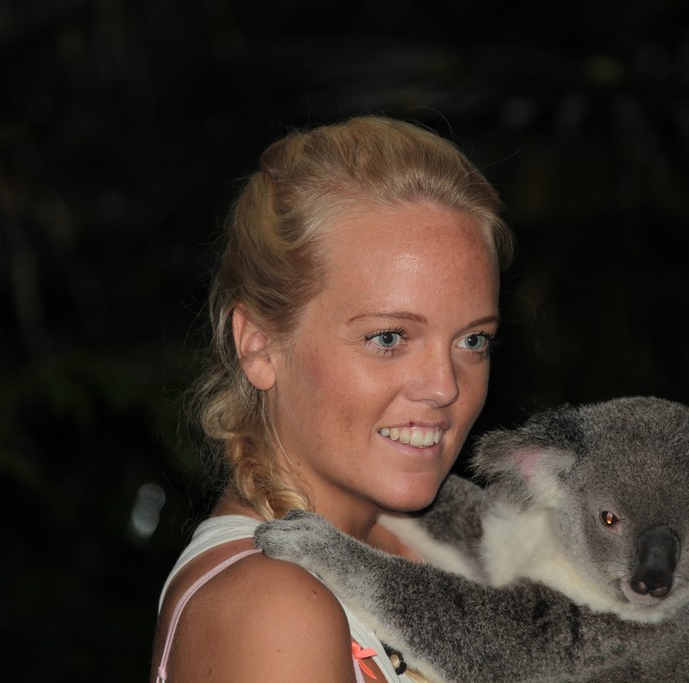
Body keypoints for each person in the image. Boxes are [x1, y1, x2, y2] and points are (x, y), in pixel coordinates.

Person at [150, 115, 515, 683]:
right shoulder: (276, 610)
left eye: (473, 340)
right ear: (259, 345)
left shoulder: (425, 540)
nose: (445, 387)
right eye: (388, 338)